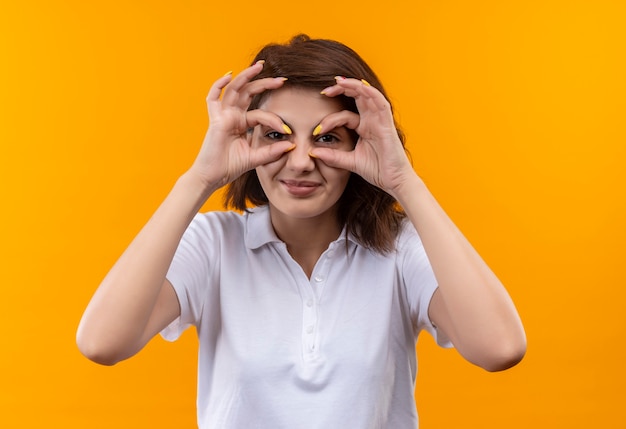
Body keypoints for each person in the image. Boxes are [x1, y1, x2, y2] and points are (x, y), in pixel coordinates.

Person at [77, 34, 526, 428]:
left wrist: (403, 181)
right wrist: (199, 178)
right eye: (277, 135)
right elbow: (101, 343)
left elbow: (499, 348)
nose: (299, 161)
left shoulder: (399, 248)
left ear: (361, 143)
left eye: (327, 137)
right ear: (247, 140)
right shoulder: (215, 244)